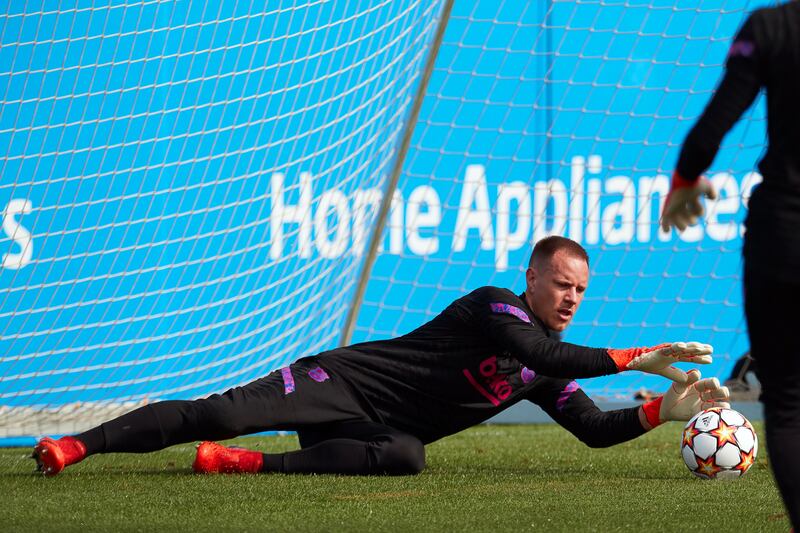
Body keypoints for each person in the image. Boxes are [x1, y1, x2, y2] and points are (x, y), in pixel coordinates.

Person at [32, 236, 728, 477]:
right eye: (562, 284)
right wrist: (640, 356)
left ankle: (250, 465)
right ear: (531, 278)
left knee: (407, 456)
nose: (572, 297)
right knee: (218, 411)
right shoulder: (497, 306)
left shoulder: (549, 365)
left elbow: (594, 427)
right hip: (339, 382)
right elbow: (533, 347)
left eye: (581, 289)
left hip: (371, 429)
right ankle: (77, 443)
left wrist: (663, 410)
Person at [660, 2, 800, 528]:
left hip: (784, 233)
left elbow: (711, 128)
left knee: (787, 403)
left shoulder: (772, 25)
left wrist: (683, 181)